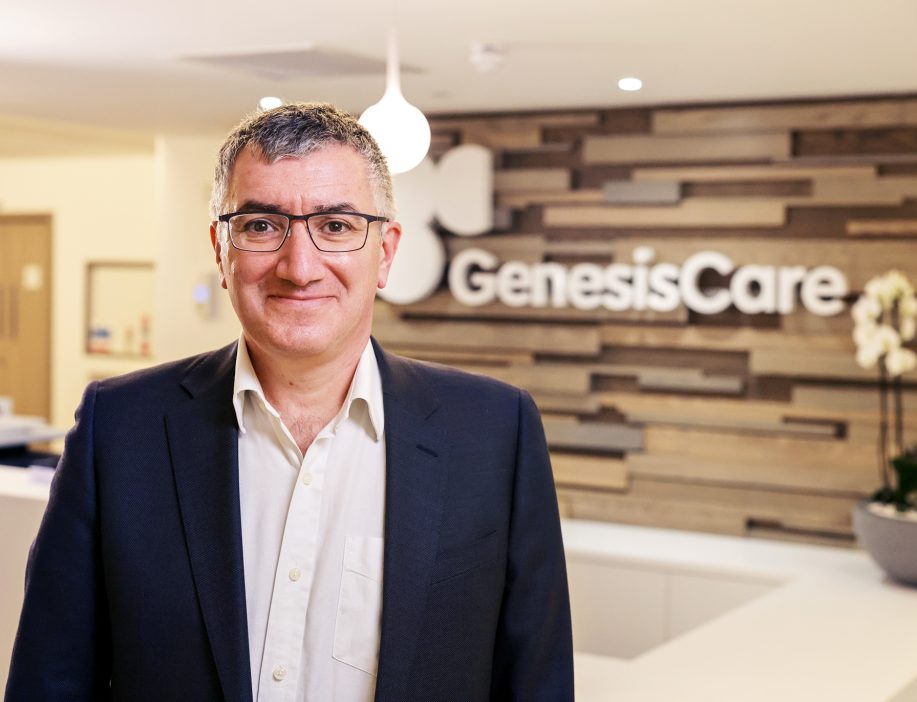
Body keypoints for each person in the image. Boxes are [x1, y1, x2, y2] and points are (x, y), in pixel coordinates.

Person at [6, 103, 574, 701]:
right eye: (260, 225)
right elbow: (50, 681)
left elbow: (536, 683)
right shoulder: (121, 429)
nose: (299, 267)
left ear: (385, 252)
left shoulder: (494, 434)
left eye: (336, 226)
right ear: (221, 250)